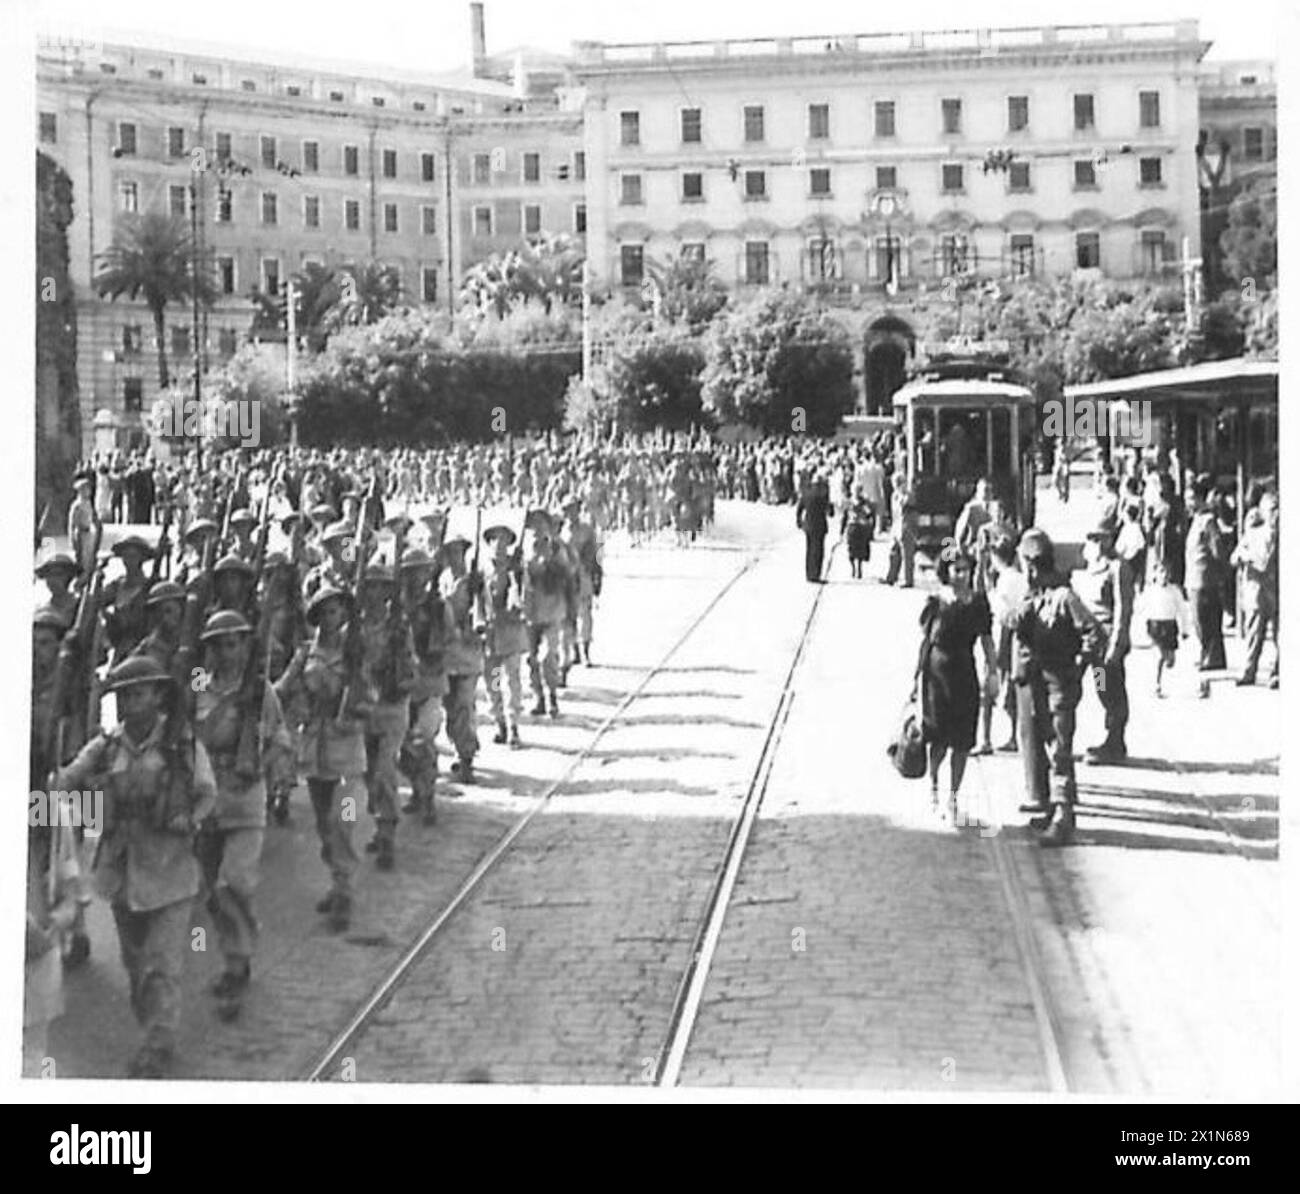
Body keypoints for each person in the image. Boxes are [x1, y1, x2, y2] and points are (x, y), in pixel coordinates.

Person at [53, 656, 217, 1077]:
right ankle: (153, 1031)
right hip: (121, 873)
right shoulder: (106, 746)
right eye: (124, 694)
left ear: (158, 695)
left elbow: (206, 793)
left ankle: (158, 1044)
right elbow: (65, 781)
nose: (131, 701)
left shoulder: (181, 744)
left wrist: (191, 820)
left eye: (139, 693)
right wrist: (63, 789)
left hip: (171, 872)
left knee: (161, 965)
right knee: (135, 965)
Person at [193, 611, 292, 1017]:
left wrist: (259, 763)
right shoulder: (198, 685)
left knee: (234, 881)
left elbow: (281, 739)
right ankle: (234, 958)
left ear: (245, 646)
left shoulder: (259, 691)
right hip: (206, 798)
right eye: (217, 644)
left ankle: (242, 951)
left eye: (232, 643)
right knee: (209, 889)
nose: (224, 652)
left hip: (245, 798)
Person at [275, 586, 369, 933]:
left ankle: (344, 892)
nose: (331, 618)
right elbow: (283, 688)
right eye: (325, 613)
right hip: (315, 749)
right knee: (324, 827)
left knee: (343, 821)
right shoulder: (305, 654)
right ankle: (336, 880)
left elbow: (372, 693)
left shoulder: (357, 652)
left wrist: (358, 703)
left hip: (348, 751)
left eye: (336, 612)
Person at [1009, 529, 1105, 847]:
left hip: (1060, 686)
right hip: (1040, 685)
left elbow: (1095, 633)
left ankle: (1064, 818)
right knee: (1050, 746)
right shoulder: (1036, 597)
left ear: (1033, 565)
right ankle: (1054, 809)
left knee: (1061, 751)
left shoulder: (1064, 597)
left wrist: (1079, 664)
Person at [917, 549, 998, 826]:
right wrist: (916, 681)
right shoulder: (936, 603)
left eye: (966, 570)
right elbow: (926, 643)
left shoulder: (978, 604)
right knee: (938, 739)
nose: (962, 575)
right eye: (956, 570)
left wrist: (993, 672)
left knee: (962, 741)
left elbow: (987, 640)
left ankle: (953, 798)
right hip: (937, 678)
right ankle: (934, 790)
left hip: (965, 674)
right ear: (946, 572)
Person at [1075, 518, 1135, 763]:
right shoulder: (1090, 566)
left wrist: (1117, 643)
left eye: (1102, 537)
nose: (1098, 543)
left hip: (1107, 640)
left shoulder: (1117, 567)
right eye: (1093, 538)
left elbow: (1123, 607)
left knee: (1110, 690)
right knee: (1090, 687)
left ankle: (1115, 741)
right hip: (1088, 639)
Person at [982, 534, 1027, 754]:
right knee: (1010, 683)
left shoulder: (1005, 580)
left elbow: (1002, 612)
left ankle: (1114, 735)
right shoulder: (1019, 577)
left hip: (1102, 651)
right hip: (1098, 646)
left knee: (1103, 683)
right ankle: (1011, 735)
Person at [483, 525, 527, 747]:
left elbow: (523, 597)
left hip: (510, 633)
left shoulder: (516, 568)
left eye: (504, 540)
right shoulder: (483, 571)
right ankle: (498, 721)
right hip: (490, 635)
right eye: (495, 540)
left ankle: (513, 725)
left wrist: (517, 578)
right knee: (493, 681)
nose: (499, 545)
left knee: (512, 681)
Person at [1233, 488, 1279, 688]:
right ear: (1262, 512)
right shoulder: (1253, 534)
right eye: (1271, 510)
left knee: (1281, 635)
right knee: (1255, 634)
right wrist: (1246, 557)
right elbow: (1234, 557)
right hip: (1257, 591)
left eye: (1277, 509)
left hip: (1278, 591)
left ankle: (1278, 672)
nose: (1275, 514)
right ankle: (1249, 671)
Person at [1184, 478, 1229, 672]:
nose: (1188, 502)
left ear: (1201, 499)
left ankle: (1213, 658)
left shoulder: (1208, 521)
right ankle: (1206, 655)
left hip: (1205, 578)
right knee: (1198, 621)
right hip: (1193, 578)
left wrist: (1218, 572)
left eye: (1192, 498)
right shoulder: (1195, 520)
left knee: (1207, 620)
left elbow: (1217, 549)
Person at [1137, 561, 1192, 698]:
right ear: (1155, 574)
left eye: (1167, 572)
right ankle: (1156, 684)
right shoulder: (1150, 591)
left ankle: (1167, 663)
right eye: (1161, 572)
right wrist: (1140, 628)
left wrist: (1185, 629)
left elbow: (1183, 610)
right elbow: (1140, 609)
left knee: (1170, 660)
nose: (1164, 575)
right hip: (1155, 625)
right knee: (1159, 656)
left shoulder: (1174, 590)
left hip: (1170, 626)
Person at [795, 476, 832, 583]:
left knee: (809, 550)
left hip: (809, 525)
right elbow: (830, 512)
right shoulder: (823, 495)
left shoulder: (806, 494)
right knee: (818, 551)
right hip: (820, 525)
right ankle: (816, 574)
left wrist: (799, 521)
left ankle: (809, 574)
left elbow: (799, 509)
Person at [844, 489, 875, 580]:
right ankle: (853, 568)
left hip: (861, 527)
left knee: (861, 549)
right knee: (851, 549)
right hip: (852, 526)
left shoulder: (864, 502)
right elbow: (845, 516)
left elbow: (870, 514)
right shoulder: (849, 502)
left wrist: (870, 526)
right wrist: (842, 530)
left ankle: (859, 568)